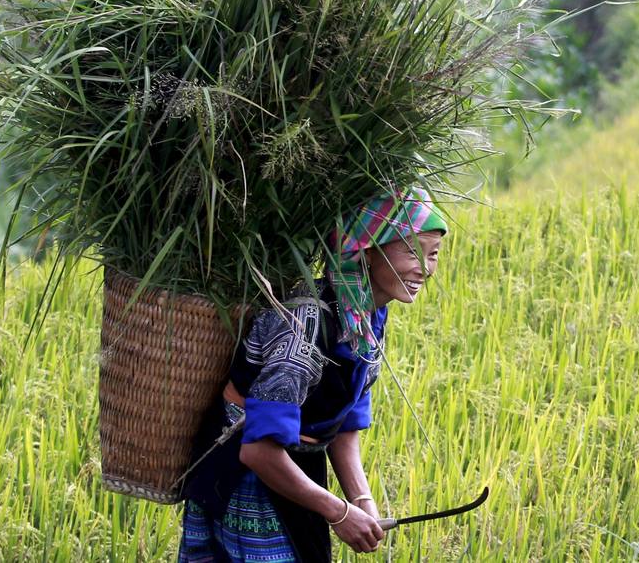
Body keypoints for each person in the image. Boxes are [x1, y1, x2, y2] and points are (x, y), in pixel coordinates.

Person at [177, 190, 447, 562]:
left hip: (296, 465)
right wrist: (338, 511)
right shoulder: (305, 326)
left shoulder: (367, 316)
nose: (425, 267)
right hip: (246, 475)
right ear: (366, 251)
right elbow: (258, 450)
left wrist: (360, 499)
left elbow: (343, 417)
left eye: (432, 254)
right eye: (412, 252)